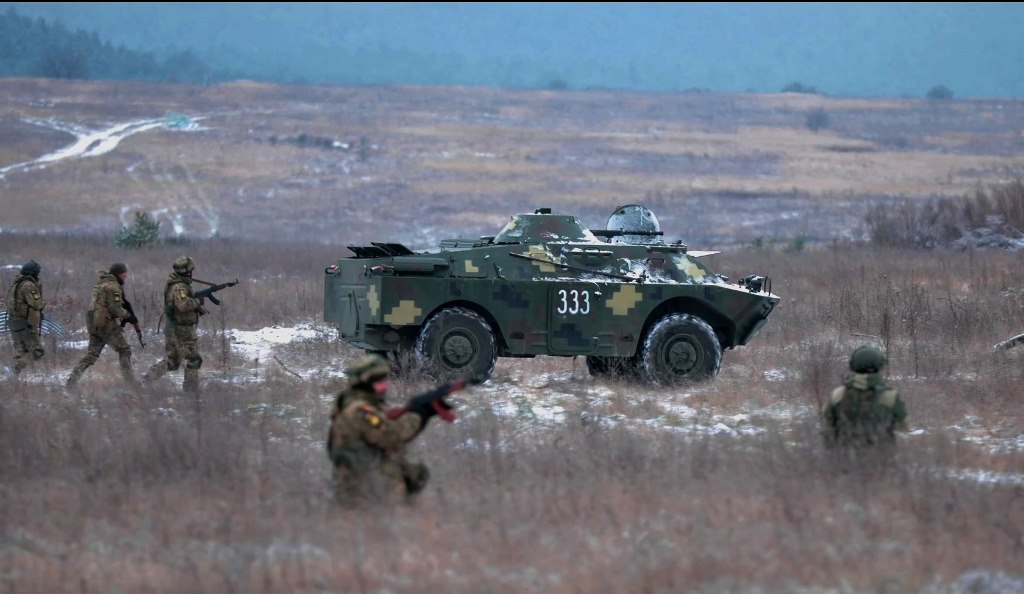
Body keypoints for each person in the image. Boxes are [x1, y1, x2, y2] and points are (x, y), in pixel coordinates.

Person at [326, 354, 466, 502]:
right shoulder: (359, 411)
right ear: (364, 384)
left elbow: (390, 426)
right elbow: (390, 436)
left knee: (416, 473)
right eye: (379, 382)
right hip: (364, 487)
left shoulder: (365, 405)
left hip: (372, 479)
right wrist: (418, 415)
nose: (385, 386)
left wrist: (425, 410)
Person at [66, 263, 138, 387]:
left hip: (94, 323)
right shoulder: (112, 286)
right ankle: (130, 384)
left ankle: (71, 382)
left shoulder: (101, 284)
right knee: (124, 350)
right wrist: (129, 316)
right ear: (119, 274)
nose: (125, 276)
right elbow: (115, 309)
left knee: (92, 355)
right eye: (124, 274)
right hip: (105, 324)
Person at [822, 346, 908, 448]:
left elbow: (827, 430)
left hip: (845, 455)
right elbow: (905, 427)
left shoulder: (837, 395)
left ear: (853, 366)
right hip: (881, 456)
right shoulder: (890, 396)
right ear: (879, 366)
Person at [142, 256, 205, 392]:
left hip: (176, 328)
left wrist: (198, 309)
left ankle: (147, 380)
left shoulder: (178, 284)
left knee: (172, 361)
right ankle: (191, 393)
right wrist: (197, 302)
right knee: (193, 359)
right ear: (187, 271)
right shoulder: (179, 287)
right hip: (181, 329)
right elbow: (183, 305)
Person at [5, 260, 46, 377]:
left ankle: (12, 375)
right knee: (37, 351)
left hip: (14, 322)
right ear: (34, 273)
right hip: (25, 323)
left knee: (22, 351)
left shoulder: (15, 284)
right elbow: (37, 304)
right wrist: (42, 302)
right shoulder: (28, 285)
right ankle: (14, 369)